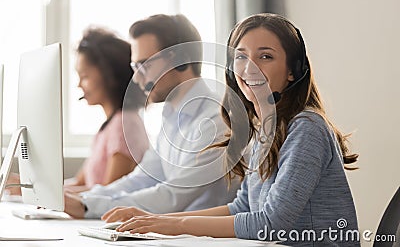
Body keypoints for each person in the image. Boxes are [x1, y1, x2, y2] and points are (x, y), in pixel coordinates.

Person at [102, 13, 360, 246]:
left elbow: (273, 222)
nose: (249, 68)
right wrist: (156, 219)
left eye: (265, 57)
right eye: (241, 57)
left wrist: (173, 225)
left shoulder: (306, 128)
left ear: (293, 71)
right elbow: (242, 206)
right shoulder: (262, 131)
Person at [64, 14, 239, 219]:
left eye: (145, 65)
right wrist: (83, 198)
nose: (137, 78)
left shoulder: (215, 120)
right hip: (171, 234)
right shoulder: (171, 118)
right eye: (135, 67)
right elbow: (140, 179)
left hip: (200, 239)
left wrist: (88, 206)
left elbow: (171, 197)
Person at [64, 27, 148, 193]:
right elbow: (81, 183)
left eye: (85, 76)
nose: (79, 85)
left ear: (109, 75)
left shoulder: (124, 124)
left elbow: (109, 193)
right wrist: (31, 191)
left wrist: (52, 196)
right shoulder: (110, 125)